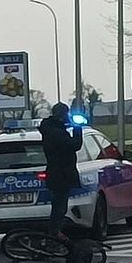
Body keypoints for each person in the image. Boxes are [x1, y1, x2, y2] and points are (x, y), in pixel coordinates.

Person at [38, 102, 83, 238]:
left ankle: (55, 232)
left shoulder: (50, 129)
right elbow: (75, 145)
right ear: (62, 115)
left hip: (57, 173)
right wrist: (77, 128)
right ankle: (54, 233)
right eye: (66, 114)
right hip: (60, 175)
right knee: (59, 207)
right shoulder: (56, 132)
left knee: (59, 205)